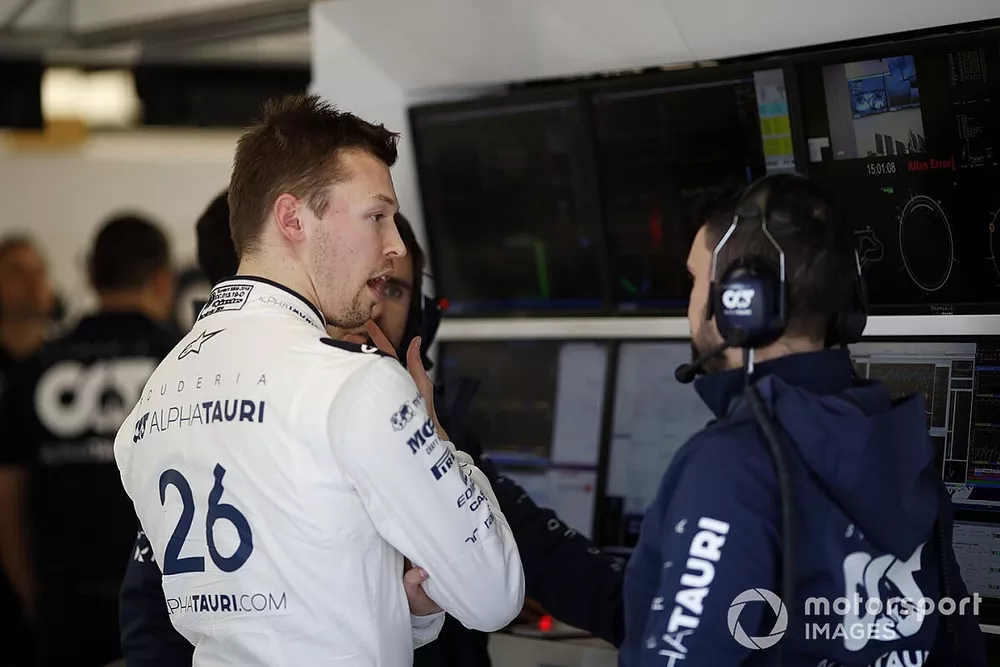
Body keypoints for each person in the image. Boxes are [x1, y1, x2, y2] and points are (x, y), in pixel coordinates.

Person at [120, 195, 625, 666]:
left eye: (394, 287)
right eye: (363, 281)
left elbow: (544, 551)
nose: (375, 303)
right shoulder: (242, 422)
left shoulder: (421, 421)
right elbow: (153, 620)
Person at [113, 95, 524, 666]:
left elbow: (283, 619)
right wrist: (433, 429)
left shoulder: (156, 394)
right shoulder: (356, 384)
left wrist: (408, 611)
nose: (396, 245)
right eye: (376, 216)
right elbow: (495, 597)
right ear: (292, 218)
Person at [619, 174, 987, 666]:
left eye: (694, 281)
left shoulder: (733, 466)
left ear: (740, 302)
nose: (688, 305)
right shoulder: (896, 443)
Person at [0, 215, 177, 667]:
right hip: (167, 605)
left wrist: (32, 600)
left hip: (65, 606)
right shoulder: (185, 364)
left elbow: (7, 499)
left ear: (90, 274)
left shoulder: (34, 368)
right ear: (161, 280)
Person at [0, 235, 55, 667]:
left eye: (39, 269)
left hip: (55, 566)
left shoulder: (58, 364)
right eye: (18, 270)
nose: (33, 280)